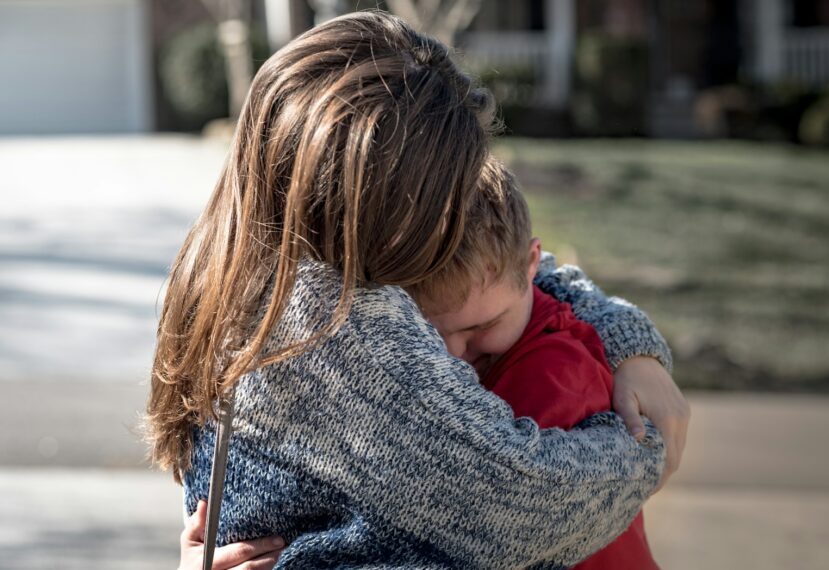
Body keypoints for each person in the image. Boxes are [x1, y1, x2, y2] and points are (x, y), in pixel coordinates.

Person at [148, 11, 689, 570]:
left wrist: (629, 344)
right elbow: (526, 507)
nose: (456, 217)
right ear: (378, 197)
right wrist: (645, 440)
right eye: (444, 199)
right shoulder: (339, 325)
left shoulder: (231, 263)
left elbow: (526, 269)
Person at [415, 158, 658, 569]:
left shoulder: (556, 376)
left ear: (532, 265)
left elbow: (484, 520)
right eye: (431, 330)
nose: (454, 354)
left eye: (483, 326)